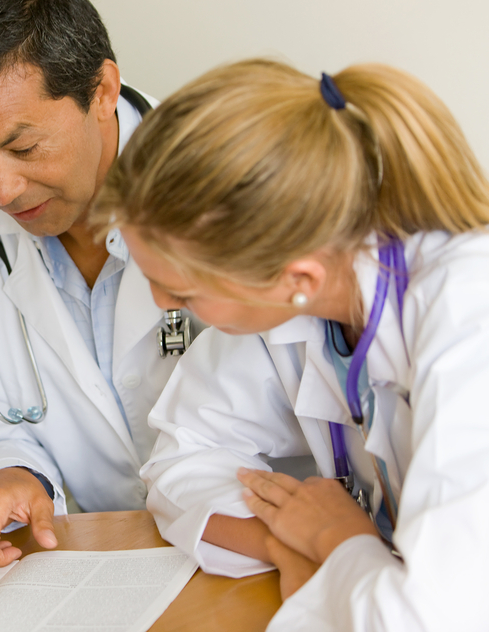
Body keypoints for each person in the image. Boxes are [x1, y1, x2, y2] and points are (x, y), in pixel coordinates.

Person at [92, 58, 489, 631]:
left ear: (296, 279)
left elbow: (433, 618)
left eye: (180, 289)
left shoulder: (468, 318)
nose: (160, 304)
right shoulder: (289, 297)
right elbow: (181, 455)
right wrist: (286, 544)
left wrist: (338, 540)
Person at [0, 0, 203, 583]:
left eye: (23, 148)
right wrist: (11, 473)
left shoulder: (217, 180)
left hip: (238, 548)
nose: (0, 189)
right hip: (88, 567)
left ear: (102, 91)